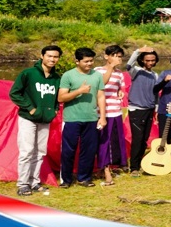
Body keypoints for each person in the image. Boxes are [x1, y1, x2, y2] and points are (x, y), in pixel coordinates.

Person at [9, 45, 62, 196]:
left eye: (55, 57)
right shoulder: (28, 73)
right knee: (26, 151)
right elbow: (14, 93)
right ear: (42, 56)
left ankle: (34, 182)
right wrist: (30, 108)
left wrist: (55, 110)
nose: (52, 59)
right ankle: (23, 184)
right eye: (49, 56)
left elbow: (57, 98)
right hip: (28, 118)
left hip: (45, 119)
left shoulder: (57, 78)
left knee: (40, 152)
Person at [57, 47, 106, 188]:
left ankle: (84, 178)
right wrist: (79, 91)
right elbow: (61, 97)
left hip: (91, 118)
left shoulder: (97, 76)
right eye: (86, 61)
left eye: (91, 61)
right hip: (72, 119)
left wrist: (102, 116)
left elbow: (101, 96)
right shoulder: (68, 75)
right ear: (77, 61)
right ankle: (66, 179)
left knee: (89, 150)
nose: (89, 64)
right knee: (68, 150)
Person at [95, 44, 128, 186]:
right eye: (114, 56)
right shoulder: (97, 71)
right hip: (102, 112)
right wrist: (110, 67)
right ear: (106, 56)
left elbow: (120, 89)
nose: (118, 59)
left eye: (120, 56)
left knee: (115, 141)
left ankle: (109, 167)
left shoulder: (120, 74)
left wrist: (121, 92)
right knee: (104, 142)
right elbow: (102, 83)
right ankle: (105, 171)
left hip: (116, 112)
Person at [125, 46, 160, 177]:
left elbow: (156, 93)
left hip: (149, 110)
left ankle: (140, 163)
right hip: (136, 109)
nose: (150, 62)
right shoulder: (136, 71)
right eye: (147, 60)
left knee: (145, 139)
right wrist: (138, 51)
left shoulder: (155, 75)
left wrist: (156, 108)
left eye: (153, 60)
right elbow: (129, 64)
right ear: (142, 61)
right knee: (137, 139)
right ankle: (133, 167)